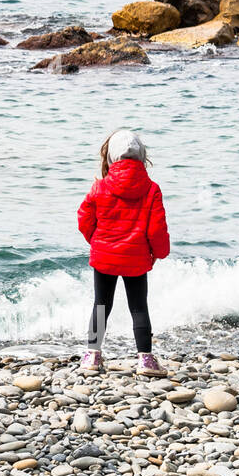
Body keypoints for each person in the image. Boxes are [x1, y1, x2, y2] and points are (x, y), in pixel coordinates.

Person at [77, 129, 170, 376]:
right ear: (141, 156)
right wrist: (159, 252)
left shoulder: (100, 187)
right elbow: (157, 229)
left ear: (110, 157)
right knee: (139, 306)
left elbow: (84, 220)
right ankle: (145, 360)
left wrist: (96, 241)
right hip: (137, 257)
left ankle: (92, 356)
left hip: (104, 255)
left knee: (100, 305)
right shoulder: (151, 189)